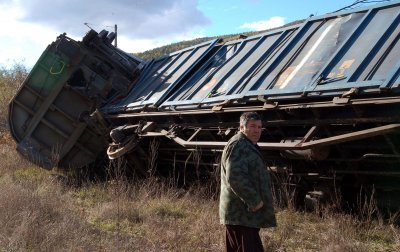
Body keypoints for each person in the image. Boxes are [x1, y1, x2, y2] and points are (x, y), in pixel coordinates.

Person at [219, 111, 276, 252]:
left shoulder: (246, 144)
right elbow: (235, 177)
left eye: (259, 127)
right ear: (241, 127)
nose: (256, 130)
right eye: (252, 126)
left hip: (242, 215)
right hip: (241, 214)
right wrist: (255, 201)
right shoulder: (239, 145)